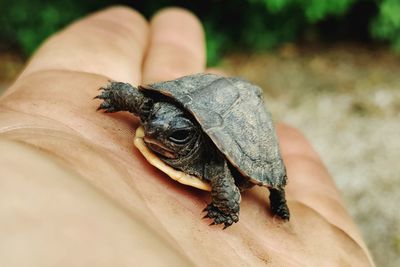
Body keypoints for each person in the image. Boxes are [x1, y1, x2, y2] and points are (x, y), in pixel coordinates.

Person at [0, 6, 374, 266]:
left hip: (232, 123)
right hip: (193, 95)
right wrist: (121, 97)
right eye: (153, 119)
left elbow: (227, 185)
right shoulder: (156, 116)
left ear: (191, 139)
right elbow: (144, 102)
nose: (156, 128)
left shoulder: (213, 162)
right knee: (157, 110)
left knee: (262, 188)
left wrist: (232, 207)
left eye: (175, 134)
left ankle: (279, 195)